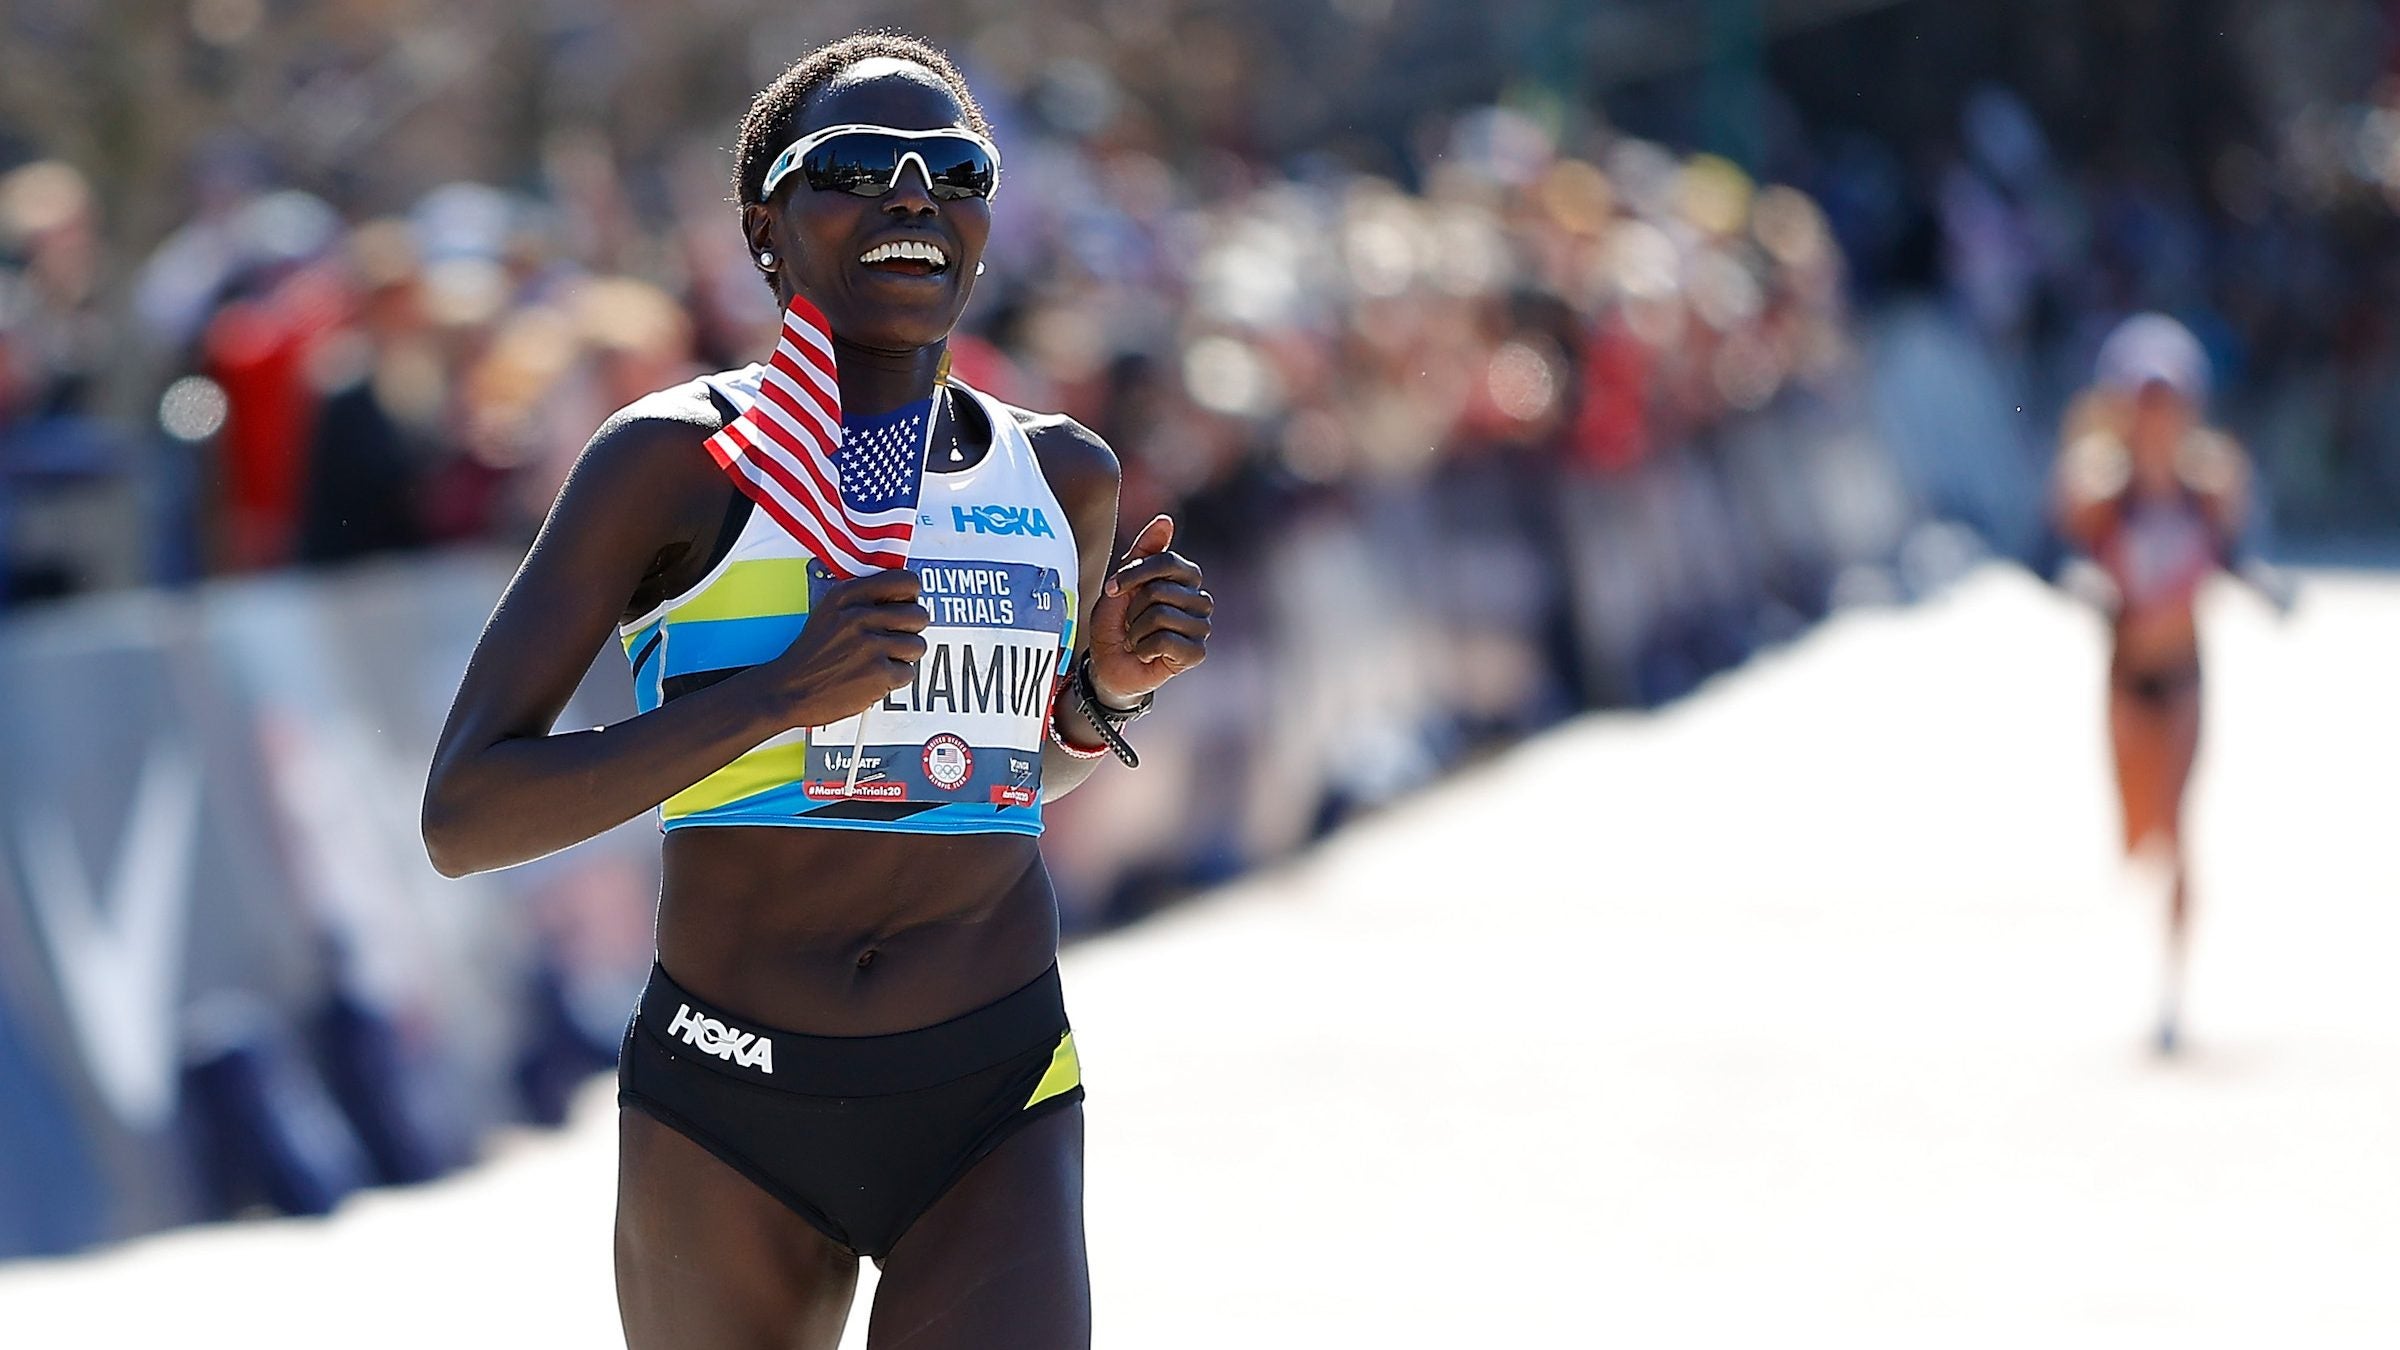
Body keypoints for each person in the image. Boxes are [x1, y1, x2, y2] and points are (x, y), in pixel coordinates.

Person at [420, 33, 1212, 1349]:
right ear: (766, 229)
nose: (915, 196)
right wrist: (778, 693)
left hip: (991, 1077)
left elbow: (1008, 768)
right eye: (856, 167)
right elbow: (466, 812)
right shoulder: (674, 463)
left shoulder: (1061, 476)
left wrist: (1102, 694)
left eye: (955, 171)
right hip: (730, 1094)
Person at [2052, 313, 2248, 1057]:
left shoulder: (2210, 485)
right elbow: (2059, 549)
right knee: (2140, 835)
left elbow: (2235, 552)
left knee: (2181, 824)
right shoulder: (2100, 486)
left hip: (2186, 674)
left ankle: (2173, 990)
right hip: (2125, 676)